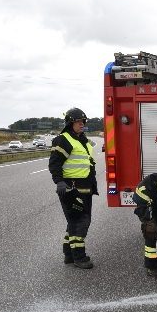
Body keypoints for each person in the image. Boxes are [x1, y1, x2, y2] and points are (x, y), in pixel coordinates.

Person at [49, 107, 97, 269]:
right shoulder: (63, 140)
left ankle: (68, 255)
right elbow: (54, 164)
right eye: (78, 122)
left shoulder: (82, 140)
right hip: (71, 190)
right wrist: (59, 182)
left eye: (83, 121)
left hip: (85, 189)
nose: (81, 124)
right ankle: (79, 257)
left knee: (73, 223)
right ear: (70, 123)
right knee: (80, 222)